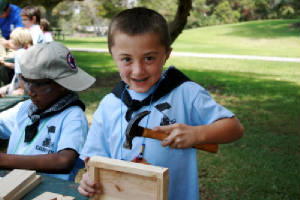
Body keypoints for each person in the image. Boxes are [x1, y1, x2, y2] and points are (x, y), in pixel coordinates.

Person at [77, 7, 244, 200]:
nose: (138, 71)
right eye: (126, 59)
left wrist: (197, 134)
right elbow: (94, 160)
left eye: (149, 58)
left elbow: (235, 128)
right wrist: (89, 178)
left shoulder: (185, 93)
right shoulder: (109, 104)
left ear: (166, 54)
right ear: (112, 55)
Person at [0, 41, 96, 181]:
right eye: (27, 82)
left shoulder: (72, 116)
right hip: (13, 183)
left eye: (38, 85)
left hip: (48, 191)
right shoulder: (26, 108)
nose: (31, 92)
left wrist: (3, 160)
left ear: (62, 84)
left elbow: (64, 161)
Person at [0, 27, 32, 97]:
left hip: (21, 87)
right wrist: (5, 64)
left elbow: (20, 74)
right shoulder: (26, 51)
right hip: (29, 85)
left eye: (11, 39)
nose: (9, 41)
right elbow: (18, 67)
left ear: (18, 41)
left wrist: (22, 89)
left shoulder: (18, 53)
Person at [0, 0, 24, 86]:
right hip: (6, 42)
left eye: (1, 14)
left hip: (18, 44)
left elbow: (20, 38)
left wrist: (7, 43)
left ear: (8, 9)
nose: (1, 16)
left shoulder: (18, 14)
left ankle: (11, 86)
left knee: (5, 66)